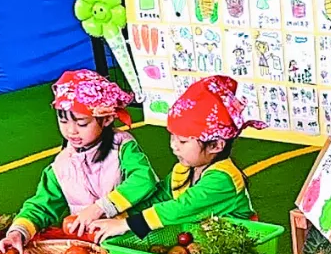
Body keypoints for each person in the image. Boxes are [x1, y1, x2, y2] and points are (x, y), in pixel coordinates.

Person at [0, 70, 158, 254]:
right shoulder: (61, 166)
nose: (71, 131)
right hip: (93, 250)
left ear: (106, 119)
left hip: (137, 240)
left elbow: (144, 179)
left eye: (82, 123)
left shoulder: (122, 147)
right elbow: (42, 205)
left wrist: (101, 207)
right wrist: (18, 231)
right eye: (63, 121)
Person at [90, 75, 265, 242]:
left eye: (182, 141)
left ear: (216, 145)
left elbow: (182, 207)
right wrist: (120, 214)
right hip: (204, 244)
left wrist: (126, 224)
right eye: (172, 137)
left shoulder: (223, 178)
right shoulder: (184, 170)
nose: (173, 145)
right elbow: (159, 197)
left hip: (237, 247)